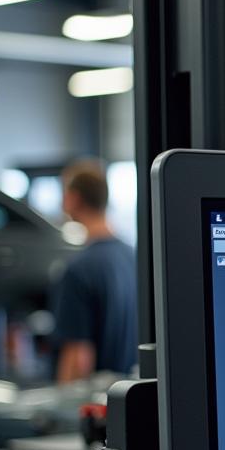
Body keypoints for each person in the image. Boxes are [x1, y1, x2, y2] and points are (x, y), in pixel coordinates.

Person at [54, 159, 138, 381]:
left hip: (97, 406)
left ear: (73, 198)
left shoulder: (78, 269)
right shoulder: (133, 256)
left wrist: (62, 410)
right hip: (132, 395)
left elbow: (78, 359)